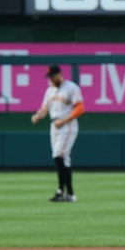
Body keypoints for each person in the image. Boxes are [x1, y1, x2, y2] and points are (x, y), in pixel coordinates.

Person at [31, 64, 85, 203]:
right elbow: (45, 108)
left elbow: (80, 108)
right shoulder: (50, 91)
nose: (50, 79)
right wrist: (37, 115)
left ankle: (61, 190)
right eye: (49, 77)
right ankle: (70, 194)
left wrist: (64, 120)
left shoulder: (71, 88)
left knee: (58, 155)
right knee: (64, 159)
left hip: (67, 125)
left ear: (59, 74)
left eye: (52, 76)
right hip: (54, 126)